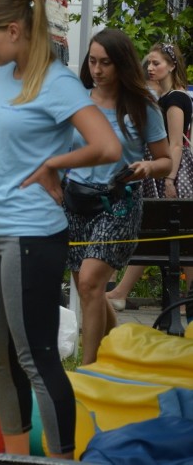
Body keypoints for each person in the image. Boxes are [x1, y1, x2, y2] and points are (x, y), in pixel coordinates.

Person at [0, 0, 121, 459]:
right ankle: (17, 456)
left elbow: (108, 146)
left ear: (14, 31)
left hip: (30, 233)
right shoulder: (6, 73)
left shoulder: (57, 82)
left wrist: (55, 165)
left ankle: (59, 457)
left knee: (37, 357)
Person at [64, 29, 170, 365]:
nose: (97, 70)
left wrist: (147, 168)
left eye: (105, 63)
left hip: (119, 203)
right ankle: (118, 353)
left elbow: (166, 161)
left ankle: (90, 369)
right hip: (75, 202)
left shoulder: (142, 107)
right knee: (88, 288)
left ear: (121, 64)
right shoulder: (76, 101)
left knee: (92, 281)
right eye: (92, 61)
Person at [108, 42, 191, 311]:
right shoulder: (165, 97)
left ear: (172, 65)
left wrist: (169, 179)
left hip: (173, 172)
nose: (151, 68)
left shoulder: (176, 100)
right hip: (165, 170)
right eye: (149, 64)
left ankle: (123, 292)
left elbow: (176, 144)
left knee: (167, 235)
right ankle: (180, 300)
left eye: (156, 63)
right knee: (162, 236)